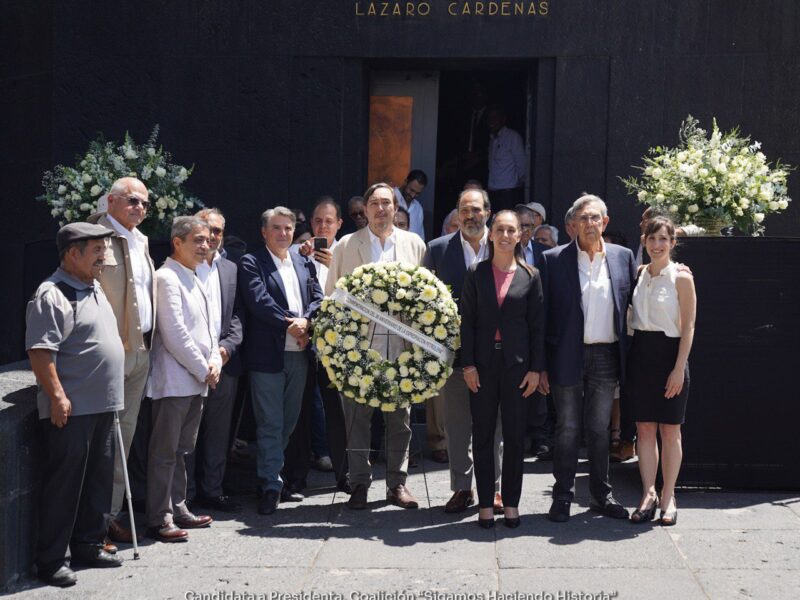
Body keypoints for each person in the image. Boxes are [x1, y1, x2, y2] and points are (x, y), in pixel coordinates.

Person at [27, 223, 123, 587]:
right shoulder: (52, 294)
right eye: (97, 250)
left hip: (102, 405)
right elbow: (40, 352)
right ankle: (51, 562)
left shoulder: (92, 287)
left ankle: (88, 544)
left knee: (97, 484)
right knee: (63, 488)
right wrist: (57, 396)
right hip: (73, 409)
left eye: (104, 248)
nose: (104, 257)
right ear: (72, 253)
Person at [326, 182, 426, 510]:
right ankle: (359, 485)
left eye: (388, 203)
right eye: (375, 203)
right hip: (358, 350)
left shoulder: (414, 245)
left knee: (400, 421)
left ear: (396, 208)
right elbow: (332, 298)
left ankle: (397, 485)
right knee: (357, 421)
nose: (381, 209)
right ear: (366, 209)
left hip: (401, 350)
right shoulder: (345, 245)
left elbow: (427, 299)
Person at [538, 194, 636, 523]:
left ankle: (600, 495)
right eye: (584, 219)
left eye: (596, 218)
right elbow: (542, 317)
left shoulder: (623, 257)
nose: (590, 224)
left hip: (607, 354)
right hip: (567, 353)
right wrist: (540, 366)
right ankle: (562, 496)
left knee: (599, 428)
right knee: (566, 428)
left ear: (605, 223)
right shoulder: (553, 259)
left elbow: (638, 297)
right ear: (573, 226)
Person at [423, 188, 506, 515]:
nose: (470, 216)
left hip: (497, 352)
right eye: (464, 210)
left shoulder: (505, 245)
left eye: (476, 210)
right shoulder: (438, 250)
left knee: (494, 424)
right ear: (457, 214)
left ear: (488, 212)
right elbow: (424, 300)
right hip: (454, 355)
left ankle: (496, 488)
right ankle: (461, 488)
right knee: (457, 425)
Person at [460, 210, 544, 528]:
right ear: (490, 234)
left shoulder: (531, 275)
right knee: (482, 436)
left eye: (513, 230)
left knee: (513, 434)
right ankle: (484, 503)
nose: (507, 235)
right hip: (482, 364)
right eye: (500, 230)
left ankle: (510, 503)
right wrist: (467, 364)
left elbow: (537, 327)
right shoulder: (476, 272)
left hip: (517, 368)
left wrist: (537, 370)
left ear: (520, 236)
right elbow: (466, 321)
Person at [238, 207, 323, 515]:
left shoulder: (303, 261)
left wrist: (308, 322)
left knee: (288, 422)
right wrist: (294, 324)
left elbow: (317, 297)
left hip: (299, 354)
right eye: (277, 228)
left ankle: (274, 475)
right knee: (270, 423)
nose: (284, 233)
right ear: (264, 232)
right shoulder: (251, 262)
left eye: (288, 228)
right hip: (267, 356)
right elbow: (260, 302)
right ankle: (271, 484)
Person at [87, 177, 156, 545]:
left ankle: (109, 515)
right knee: (103, 439)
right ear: (111, 200)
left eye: (144, 203)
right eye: (132, 201)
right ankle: (93, 523)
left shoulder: (140, 239)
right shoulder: (92, 235)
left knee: (123, 438)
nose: (139, 208)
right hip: (110, 351)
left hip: (141, 348)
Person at [145, 216, 220, 543]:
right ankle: (160, 517)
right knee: (164, 452)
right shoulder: (166, 277)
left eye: (207, 239)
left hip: (197, 380)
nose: (205, 245)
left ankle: (178, 506)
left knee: (180, 450)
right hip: (175, 381)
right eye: (198, 240)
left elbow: (209, 330)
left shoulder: (194, 276)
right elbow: (174, 333)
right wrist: (203, 368)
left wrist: (215, 359)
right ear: (177, 242)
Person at [627, 216, 696, 526]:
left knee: (670, 430)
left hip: (670, 357)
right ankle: (648, 493)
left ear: (673, 243)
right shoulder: (639, 274)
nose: (657, 245)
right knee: (643, 428)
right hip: (641, 355)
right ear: (644, 242)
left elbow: (689, 326)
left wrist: (679, 367)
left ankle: (669, 496)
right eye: (652, 239)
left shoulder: (681, 277)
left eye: (663, 240)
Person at [185, 208, 244, 513]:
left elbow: (236, 316)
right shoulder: (184, 267)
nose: (212, 237)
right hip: (189, 365)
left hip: (224, 363)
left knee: (218, 433)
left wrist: (226, 349)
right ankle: (185, 493)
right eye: (207, 230)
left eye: (218, 231)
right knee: (188, 433)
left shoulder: (232, 268)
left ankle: (212, 490)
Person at [486, 105, 526, 211]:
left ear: (503, 119)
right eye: (489, 118)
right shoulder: (491, 139)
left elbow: (522, 165)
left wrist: (518, 185)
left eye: (495, 117)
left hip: (508, 194)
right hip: (492, 192)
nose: (491, 121)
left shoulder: (513, 137)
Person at [393, 169, 427, 239]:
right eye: (411, 190)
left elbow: (420, 238)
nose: (413, 195)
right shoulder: (389, 197)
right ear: (405, 182)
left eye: (417, 193)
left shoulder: (418, 208)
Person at [515, 203, 548, 267]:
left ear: (533, 227)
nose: (524, 229)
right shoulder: (505, 250)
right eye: (520, 225)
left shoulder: (544, 251)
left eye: (527, 225)